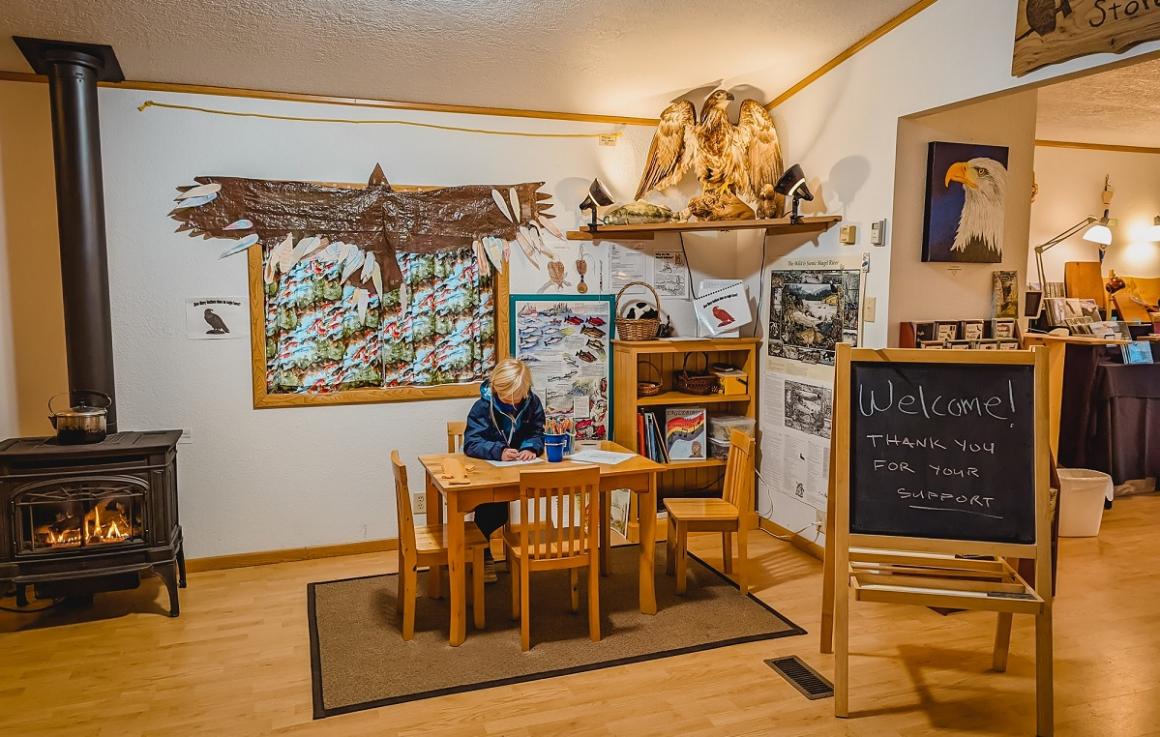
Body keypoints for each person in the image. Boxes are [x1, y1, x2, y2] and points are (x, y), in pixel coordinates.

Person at [463, 358, 545, 582]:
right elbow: (471, 443)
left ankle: (530, 554)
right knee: (492, 509)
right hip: (492, 470)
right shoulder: (483, 406)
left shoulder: (532, 402)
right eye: (505, 397)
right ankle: (484, 553)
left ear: (525, 390)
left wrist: (531, 447)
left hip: (520, 469)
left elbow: (537, 432)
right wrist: (498, 451)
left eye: (516, 398)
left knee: (505, 505)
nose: (511, 402)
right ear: (495, 389)